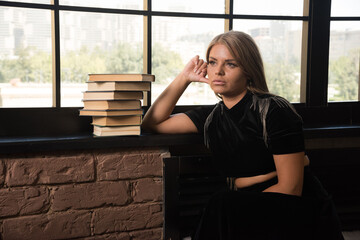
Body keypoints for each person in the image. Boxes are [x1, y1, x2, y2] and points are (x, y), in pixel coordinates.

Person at [142, 31, 344, 240]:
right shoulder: (210, 118)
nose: (218, 71)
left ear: (248, 70)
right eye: (212, 62)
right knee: (222, 207)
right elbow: (152, 122)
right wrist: (184, 77)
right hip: (243, 205)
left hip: (297, 209)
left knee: (221, 204)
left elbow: (291, 188)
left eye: (231, 64)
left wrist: (239, 212)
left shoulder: (274, 109)